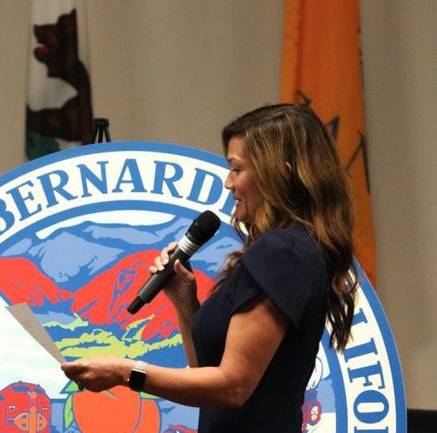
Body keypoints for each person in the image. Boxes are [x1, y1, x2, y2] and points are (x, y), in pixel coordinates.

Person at [61, 103, 358, 433]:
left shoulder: (282, 252)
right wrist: (184, 301)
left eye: (236, 169)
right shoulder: (288, 249)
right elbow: (208, 372)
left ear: (280, 173)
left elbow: (233, 387)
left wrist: (125, 372)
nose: (229, 183)